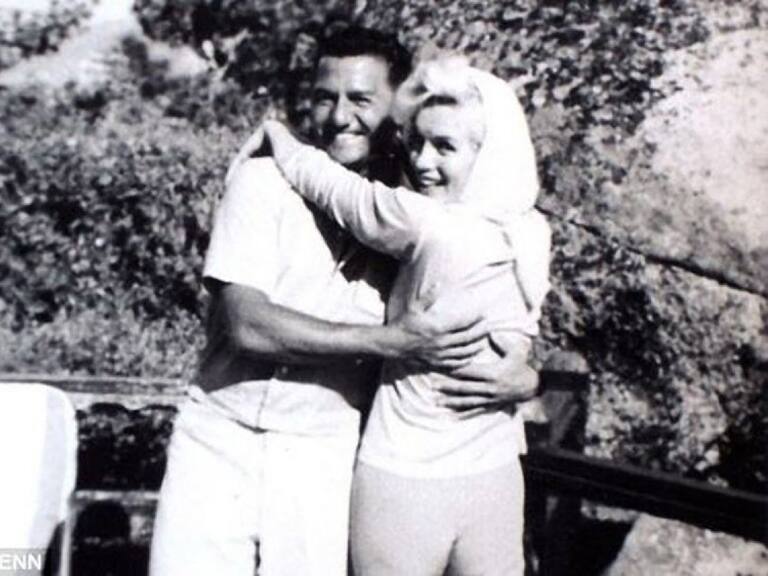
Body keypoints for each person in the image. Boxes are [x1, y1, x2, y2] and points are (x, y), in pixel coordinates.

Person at [149, 27, 538, 576]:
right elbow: (245, 324)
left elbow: (492, 299)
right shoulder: (264, 180)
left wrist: (526, 377)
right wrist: (391, 341)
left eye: (360, 99)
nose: (338, 116)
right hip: (219, 433)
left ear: (398, 107)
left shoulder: (426, 203)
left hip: (325, 447)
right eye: (324, 97)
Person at [258, 55, 551, 575]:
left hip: (418, 475)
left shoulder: (430, 224)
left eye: (445, 146)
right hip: (483, 471)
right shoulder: (531, 234)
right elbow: (517, 339)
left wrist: (278, 137)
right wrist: (527, 377)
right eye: (416, 142)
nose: (421, 161)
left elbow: (335, 189)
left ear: (489, 153)